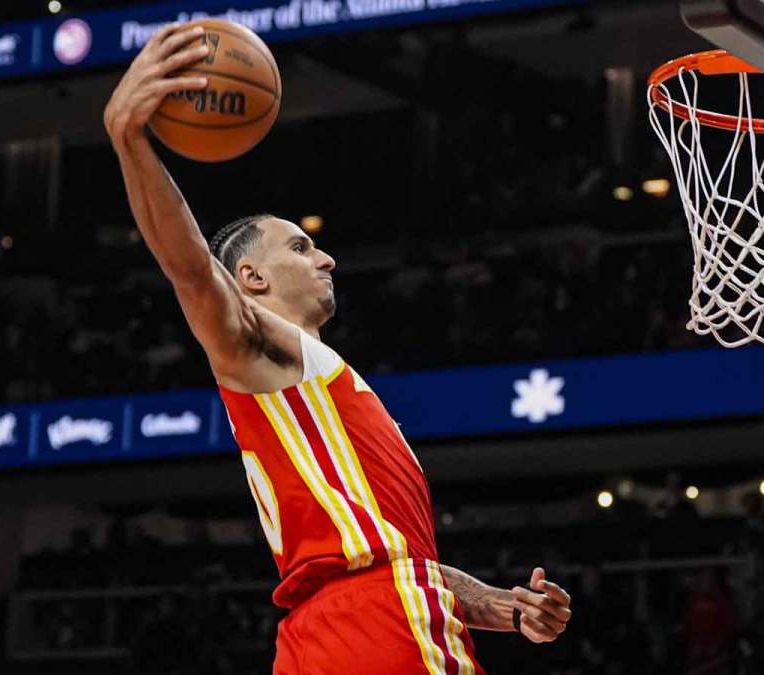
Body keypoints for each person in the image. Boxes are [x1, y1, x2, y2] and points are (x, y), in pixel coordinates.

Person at [103, 23, 572, 675]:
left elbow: (395, 556)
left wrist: (498, 604)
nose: (326, 258)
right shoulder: (265, 349)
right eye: (300, 247)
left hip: (322, 634)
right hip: (376, 623)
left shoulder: (314, 388)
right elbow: (192, 270)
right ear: (250, 278)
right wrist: (130, 141)